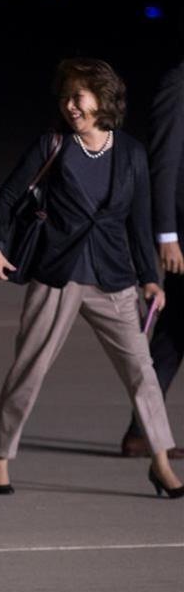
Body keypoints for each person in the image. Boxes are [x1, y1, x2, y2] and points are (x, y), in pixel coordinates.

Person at [0, 57, 184, 499]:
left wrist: (151, 279)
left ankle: (161, 462)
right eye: (65, 96)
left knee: (142, 372)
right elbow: (10, 195)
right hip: (58, 273)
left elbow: (138, 219)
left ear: (103, 99)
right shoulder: (52, 145)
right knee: (29, 370)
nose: (70, 105)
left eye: (79, 96)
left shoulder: (130, 152)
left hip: (113, 277)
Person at [124, 59, 184, 459]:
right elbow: (163, 161)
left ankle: (141, 432)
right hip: (182, 234)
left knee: (173, 335)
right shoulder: (179, 81)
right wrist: (166, 234)